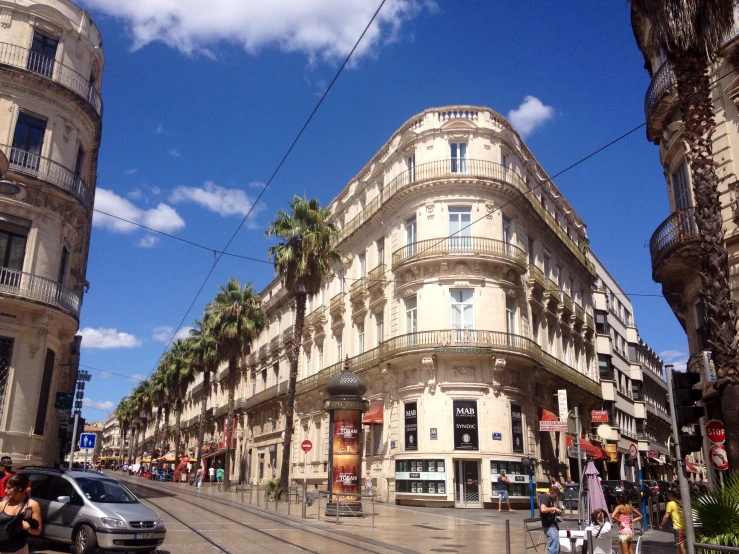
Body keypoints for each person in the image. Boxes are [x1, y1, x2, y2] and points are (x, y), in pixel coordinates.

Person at [0, 473, 42, 554]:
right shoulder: (2, 504)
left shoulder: (32, 505)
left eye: (9, 488)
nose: (5, 491)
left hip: (19, 550)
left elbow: (38, 531)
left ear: (19, 488)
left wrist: (28, 528)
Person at [539, 487, 562, 554]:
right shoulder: (545, 497)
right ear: (552, 493)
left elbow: (549, 510)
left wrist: (556, 511)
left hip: (552, 525)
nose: (556, 498)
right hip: (549, 526)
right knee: (553, 547)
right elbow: (543, 509)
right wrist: (554, 508)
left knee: (555, 546)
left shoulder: (550, 499)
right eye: (555, 496)